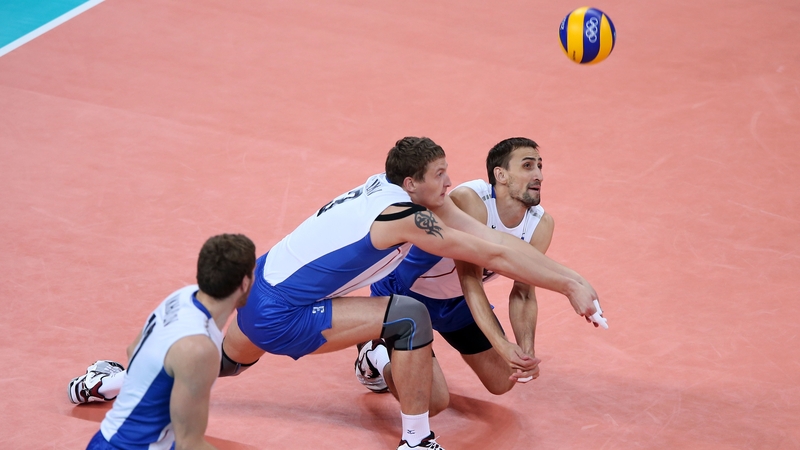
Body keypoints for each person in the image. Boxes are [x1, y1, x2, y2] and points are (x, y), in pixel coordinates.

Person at [218, 136, 601, 450]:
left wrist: (573, 278)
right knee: (409, 315)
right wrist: (569, 285)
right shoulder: (405, 219)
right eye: (439, 175)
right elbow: (493, 253)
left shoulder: (385, 187)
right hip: (283, 312)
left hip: (260, 282)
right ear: (410, 184)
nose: (450, 182)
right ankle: (416, 441)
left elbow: (492, 238)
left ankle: (164, 377)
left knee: (224, 363)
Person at [354, 138, 601, 414]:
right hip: (406, 295)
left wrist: (524, 351)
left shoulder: (541, 224)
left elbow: (523, 292)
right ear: (501, 174)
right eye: (528, 166)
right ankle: (375, 356)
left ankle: (397, 359)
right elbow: (470, 280)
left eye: (540, 167)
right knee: (431, 403)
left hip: (455, 303)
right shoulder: (470, 200)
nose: (538, 175)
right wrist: (501, 344)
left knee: (502, 381)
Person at [68, 234, 256, 450]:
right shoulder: (199, 350)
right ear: (244, 283)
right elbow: (190, 444)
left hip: (110, 440)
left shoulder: (182, 297)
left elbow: (133, 350)